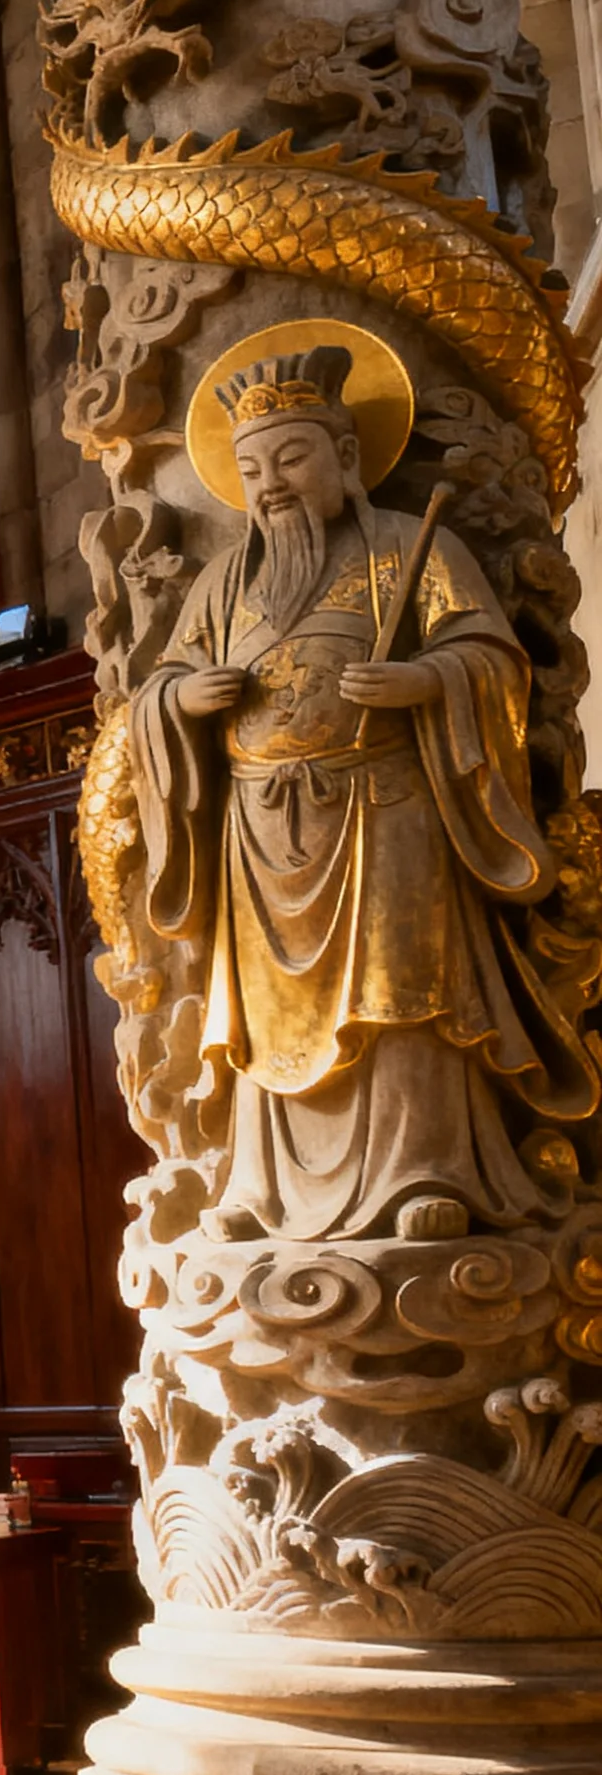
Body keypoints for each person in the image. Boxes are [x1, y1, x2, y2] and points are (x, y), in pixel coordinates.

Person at [131, 344, 594, 1241]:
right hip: (259, 835)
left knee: (402, 991)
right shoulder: (228, 580)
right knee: (263, 1020)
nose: (271, 485)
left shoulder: (410, 546)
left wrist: (427, 683)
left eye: (293, 458)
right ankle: (264, 1191)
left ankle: (427, 1174)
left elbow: (491, 658)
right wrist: (184, 698)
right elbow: (162, 683)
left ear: (345, 458)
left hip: (388, 813)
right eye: (254, 467)